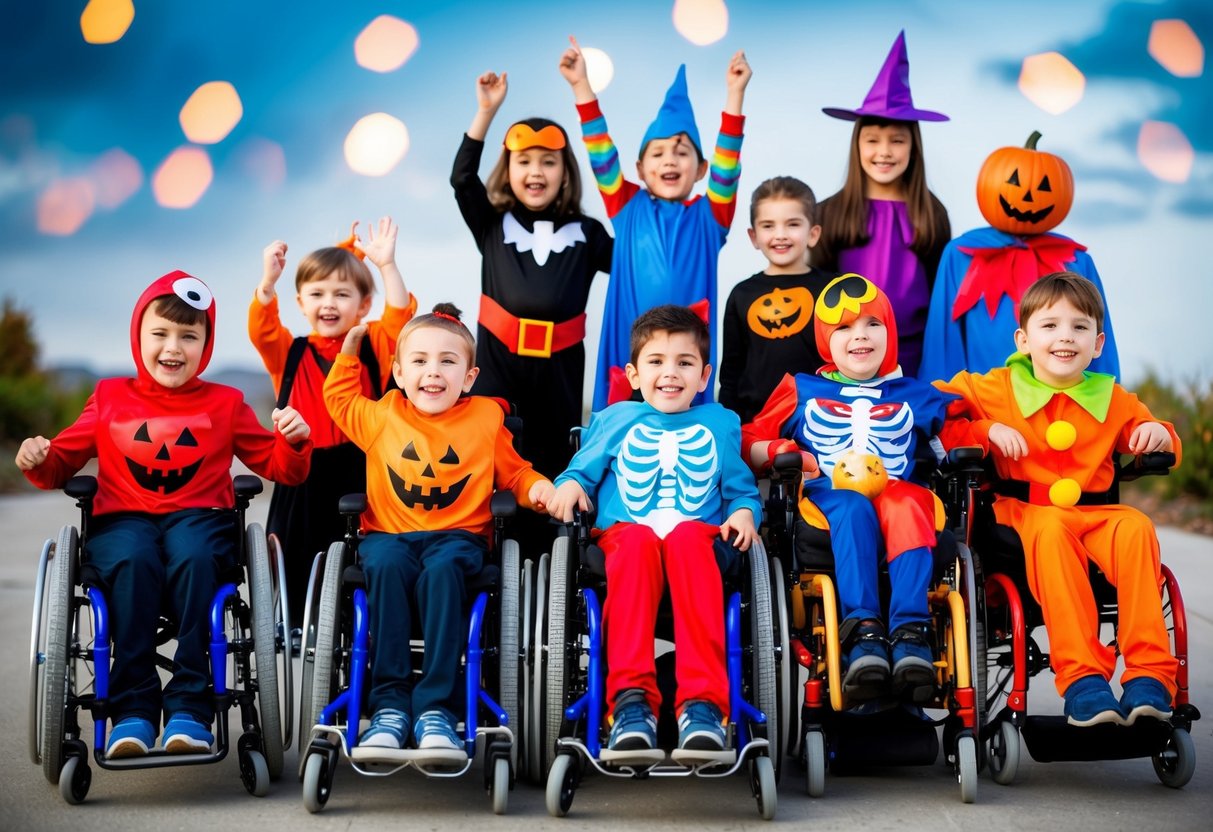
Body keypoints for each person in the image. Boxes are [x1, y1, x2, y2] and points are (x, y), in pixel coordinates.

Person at [16, 272, 313, 759]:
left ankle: (190, 710)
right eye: (161, 334)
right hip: (122, 521)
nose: (173, 347)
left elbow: (281, 468)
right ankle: (133, 709)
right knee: (133, 560)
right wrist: (38, 459)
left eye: (188, 336)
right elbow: (60, 464)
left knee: (196, 559)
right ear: (139, 336)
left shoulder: (226, 403)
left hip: (201, 519)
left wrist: (296, 441)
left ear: (206, 344)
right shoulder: (110, 398)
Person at [936, 271, 1179, 726]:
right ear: (1023, 339)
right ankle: (1084, 679)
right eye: (1050, 326)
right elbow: (937, 414)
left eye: (1079, 327)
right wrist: (985, 429)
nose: (1065, 337)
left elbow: (1152, 433)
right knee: (1050, 530)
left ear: (1098, 343)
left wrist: (1156, 432)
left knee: (1136, 525)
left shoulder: (1114, 397)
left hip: (1094, 513)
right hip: (1022, 514)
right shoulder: (994, 387)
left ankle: (1149, 675)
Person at [324, 303, 555, 751]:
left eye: (448, 362)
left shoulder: (486, 418)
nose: (433, 371)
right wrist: (349, 354)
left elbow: (515, 475)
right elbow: (339, 400)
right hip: (389, 537)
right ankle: (390, 707)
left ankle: (436, 710)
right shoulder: (383, 415)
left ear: (468, 377)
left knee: (444, 571)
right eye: (420, 361)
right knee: (386, 567)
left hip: (458, 538)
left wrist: (541, 490)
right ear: (398, 373)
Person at [546, 305, 762, 755]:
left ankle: (702, 703)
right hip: (627, 538)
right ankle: (631, 700)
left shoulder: (720, 423)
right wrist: (566, 485)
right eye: (656, 362)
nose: (670, 373)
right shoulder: (615, 419)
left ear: (704, 377)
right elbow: (579, 474)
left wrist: (744, 512)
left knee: (686, 538)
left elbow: (741, 491)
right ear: (634, 373)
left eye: (684, 363)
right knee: (638, 541)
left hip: (697, 540)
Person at [744, 274, 955, 702]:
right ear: (826, 339)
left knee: (910, 501)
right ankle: (864, 629)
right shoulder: (801, 388)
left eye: (872, 325)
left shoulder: (916, 394)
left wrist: (986, 434)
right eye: (843, 328)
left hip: (896, 492)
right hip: (828, 499)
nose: (859, 336)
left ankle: (911, 630)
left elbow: (958, 435)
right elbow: (749, 439)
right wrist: (783, 449)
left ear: (889, 332)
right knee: (853, 507)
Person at [451, 70, 612, 552]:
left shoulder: (588, 234)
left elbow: (637, 271)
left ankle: (555, 568)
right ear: (508, 167)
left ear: (566, 172)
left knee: (554, 463)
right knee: (495, 463)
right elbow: (461, 178)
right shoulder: (492, 224)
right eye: (524, 161)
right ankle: (490, 567)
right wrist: (486, 111)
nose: (536, 171)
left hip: (561, 372)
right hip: (498, 367)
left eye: (548, 161)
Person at [559, 36, 751, 410]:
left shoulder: (710, 218)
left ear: (700, 170)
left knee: (688, 430)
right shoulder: (627, 206)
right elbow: (600, 149)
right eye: (658, 153)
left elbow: (729, 159)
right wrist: (582, 86)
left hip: (687, 350)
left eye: (681, 153)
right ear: (640, 169)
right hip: (628, 343)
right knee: (619, 427)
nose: (669, 161)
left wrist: (735, 95)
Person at [249, 218, 415, 629]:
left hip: (361, 473)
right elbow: (262, 328)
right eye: (317, 293)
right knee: (299, 563)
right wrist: (268, 283)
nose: (329, 303)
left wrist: (386, 266)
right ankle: (301, 634)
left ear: (362, 305)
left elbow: (398, 317)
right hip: (301, 479)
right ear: (301, 303)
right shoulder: (289, 351)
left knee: (356, 563)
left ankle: (355, 634)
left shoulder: (374, 344)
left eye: (342, 294)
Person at [919, 132, 1119, 383]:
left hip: (1063, 407)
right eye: (1014, 182)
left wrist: (1108, 407)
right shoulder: (960, 255)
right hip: (982, 405)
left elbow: (1100, 343)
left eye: (1045, 187)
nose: (1028, 197)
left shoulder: (1077, 261)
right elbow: (943, 343)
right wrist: (946, 407)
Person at [813, 30, 951, 378]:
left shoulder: (931, 214)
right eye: (873, 140)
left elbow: (940, 299)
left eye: (897, 140)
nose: (884, 151)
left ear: (913, 147)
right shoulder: (830, 212)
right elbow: (820, 292)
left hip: (913, 360)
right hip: (847, 361)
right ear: (857, 144)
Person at [719, 176, 837, 423]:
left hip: (819, 414)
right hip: (756, 419)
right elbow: (730, 371)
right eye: (768, 226)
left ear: (813, 234)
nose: (780, 235)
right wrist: (729, 422)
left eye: (793, 224)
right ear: (753, 236)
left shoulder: (832, 290)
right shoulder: (742, 294)